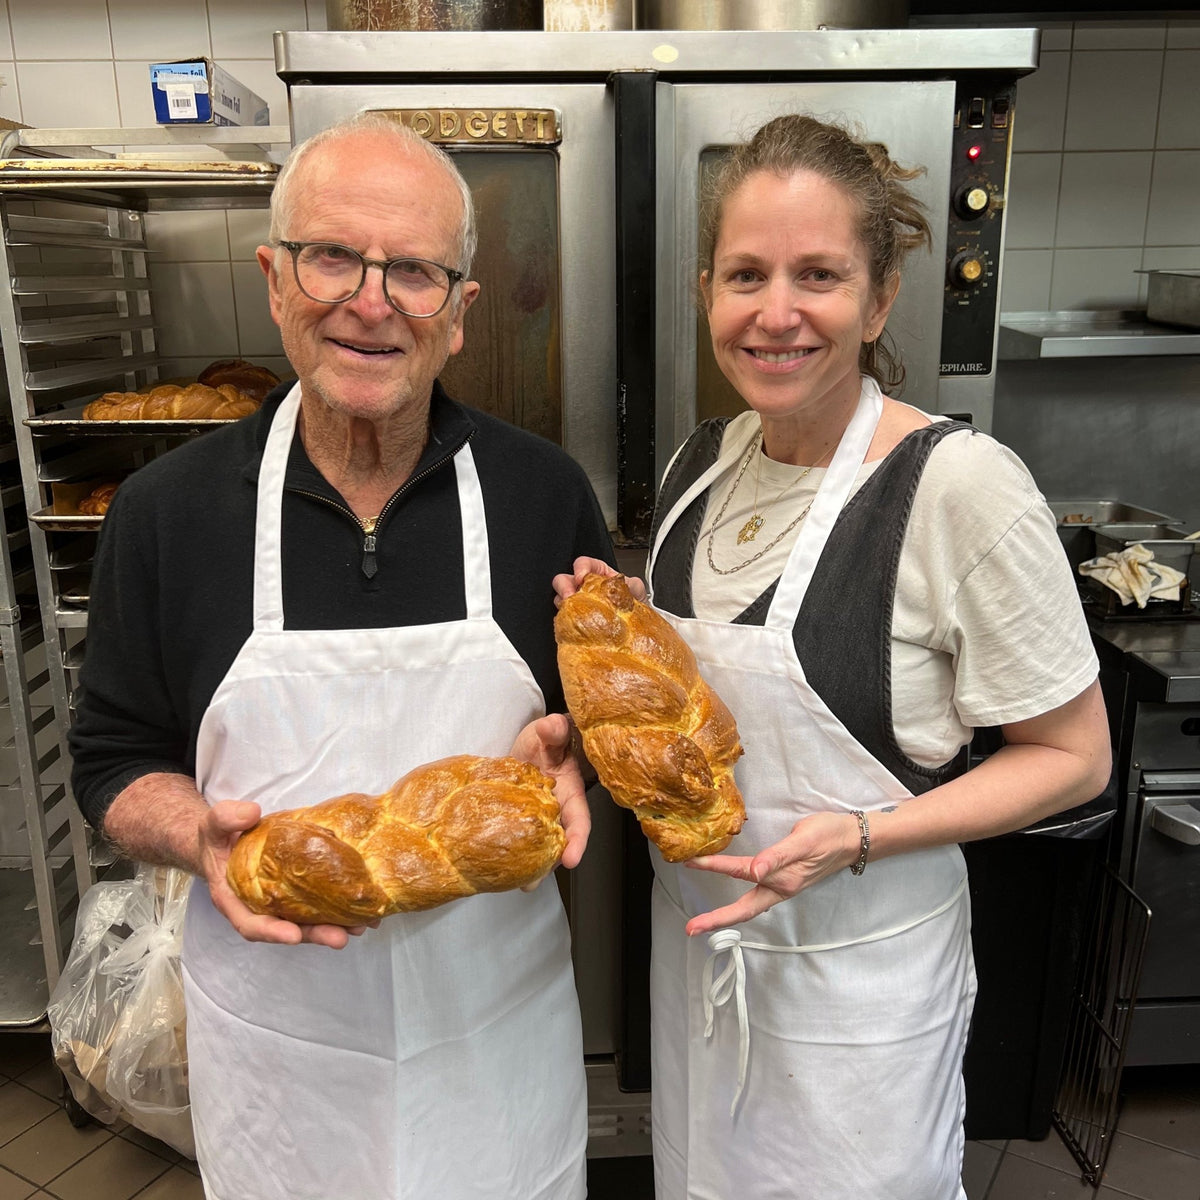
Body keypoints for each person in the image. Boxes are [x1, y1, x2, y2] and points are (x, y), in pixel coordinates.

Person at [555, 113, 1111, 1199]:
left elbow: (1074, 757)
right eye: (745, 274)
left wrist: (859, 835)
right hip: (707, 963)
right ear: (706, 287)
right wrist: (622, 646)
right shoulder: (700, 465)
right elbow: (699, 721)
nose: (776, 314)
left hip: (862, 995)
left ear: (880, 297)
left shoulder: (958, 485)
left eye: (818, 274)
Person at [67, 113, 615, 1200]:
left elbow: (581, 736)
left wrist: (582, 758)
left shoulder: (543, 495)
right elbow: (109, 761)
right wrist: (196, 835)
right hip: (281, 1053)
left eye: (412, 270)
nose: (371, 302)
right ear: (275, 280)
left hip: (492, 1046)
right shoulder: (165, 513)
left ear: (457, 314)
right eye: (334, 257)